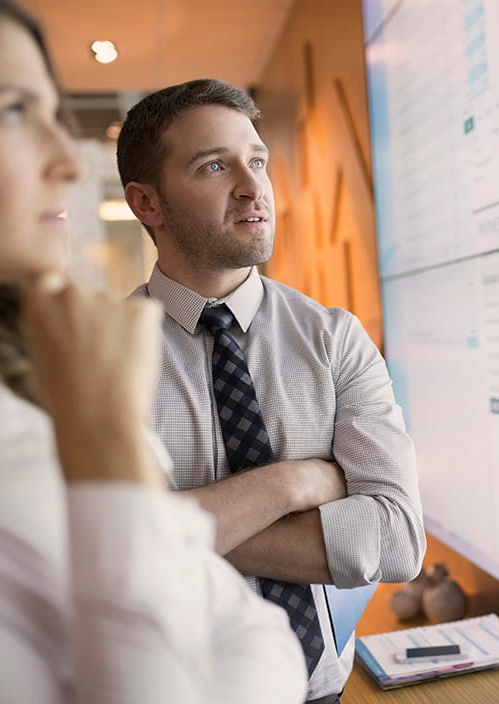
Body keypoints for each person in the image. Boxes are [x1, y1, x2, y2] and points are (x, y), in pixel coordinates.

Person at [0, 1, 308, 701]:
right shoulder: (91, 392)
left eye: (257, 161)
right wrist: (108, 446)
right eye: (12, 111)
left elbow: (264, 637)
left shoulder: (27, 386)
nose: (68, 160)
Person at [118, 78, 425, 703]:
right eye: (214, 165)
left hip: (322, 691)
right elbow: (111, 563)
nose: (253, 186)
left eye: (257, 160)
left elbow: (397, 540)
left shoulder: (335, 340)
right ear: (147, 203)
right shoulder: (102, 361)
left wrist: (174, 531)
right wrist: (292, 484)